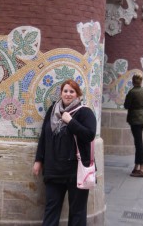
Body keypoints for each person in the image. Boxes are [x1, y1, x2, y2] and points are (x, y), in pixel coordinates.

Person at [32, 79, 96, 226]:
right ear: (61, 93)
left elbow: (89, 135)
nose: (68, 94)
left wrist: (71, 121)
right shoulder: (52, 110)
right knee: (51, 210)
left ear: (77, 94)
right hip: (54, 169)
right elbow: (44, 137)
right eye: (65, 91)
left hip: (76, 171)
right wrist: (38, 160)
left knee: (77, 213)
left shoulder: (85, 112)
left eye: (72, 91)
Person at [124, 73, 143, 178]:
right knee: (138, 142)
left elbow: (126, 105)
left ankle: (142, 169)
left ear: (133, 81)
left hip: (135, 119)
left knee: (139, 144)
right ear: (141, 81)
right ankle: (136, 167)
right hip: (142, 119)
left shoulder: (132, 92)